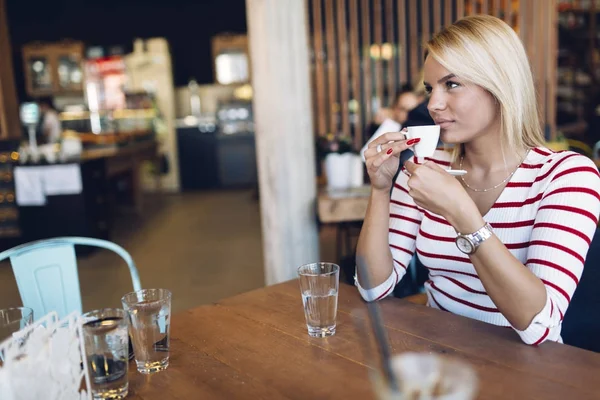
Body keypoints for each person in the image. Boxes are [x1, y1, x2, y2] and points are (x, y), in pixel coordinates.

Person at [356, 15, 600, 346]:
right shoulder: (427, 167)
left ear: (500, 84)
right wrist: (381, 189)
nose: (433, 104)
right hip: (441, 365)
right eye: (430, 88)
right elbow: (373, 286)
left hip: (528, 374)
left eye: (451, 84)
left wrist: (462, 214)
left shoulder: (567, 175)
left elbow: (538, 325)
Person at [360, 88, 422, 161]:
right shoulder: (384, 126)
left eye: (412, 110)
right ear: (394, 108)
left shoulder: (419, 131)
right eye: (403, 109)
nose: (408, 114)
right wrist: (376, 124)